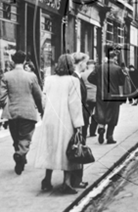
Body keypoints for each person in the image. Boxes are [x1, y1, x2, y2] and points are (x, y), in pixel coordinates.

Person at [31, 54, 84, 194]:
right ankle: (66, 183)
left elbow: (44, 100)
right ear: (71, 65)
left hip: (50, 119)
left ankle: (46, 180)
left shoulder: (49, 80)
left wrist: (45, 114)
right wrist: (78, 124)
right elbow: (75, 104)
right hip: (66, 120)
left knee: (50, 148)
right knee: (67, 150)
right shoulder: (73, 81)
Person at [0, 51, 44, 175]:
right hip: (28, 112)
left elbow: (1, 96)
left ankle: (20, 159)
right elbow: (38, 95)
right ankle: (20, 155)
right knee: (25, 137)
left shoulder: (6, 76)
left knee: (16, 137)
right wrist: (41, 110)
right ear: (24, 60)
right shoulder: (31, 76)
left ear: (13, 61)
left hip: (12, 112)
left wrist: (8, 106)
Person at [88, 48, 127, 144]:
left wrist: (99, 84)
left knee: (101, 112)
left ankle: (101, 128)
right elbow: (121, 82)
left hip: (101, 94)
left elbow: (90, 78)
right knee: (113, 115)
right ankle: (110, 137)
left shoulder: (99, 67)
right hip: (113, 95)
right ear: (114, 58)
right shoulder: (118, 69)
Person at [70, 52, 90, 190]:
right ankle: (76, 180)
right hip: (79, 117)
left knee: (78, 146)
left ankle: (75, 179)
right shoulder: (74, 78)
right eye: (86, 62)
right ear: (81, 63)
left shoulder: (77, 77)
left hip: (81, 116)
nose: (87, 65)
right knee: (79, 147)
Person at [81, 60, 98, 137]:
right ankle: (92, 132)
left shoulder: (82, 74)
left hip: (86, 97)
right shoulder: (96, 74)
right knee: (95, 114)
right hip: (96, 97)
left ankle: (85, 130)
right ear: (94, 65)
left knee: (86, 114)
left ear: (87, 65)